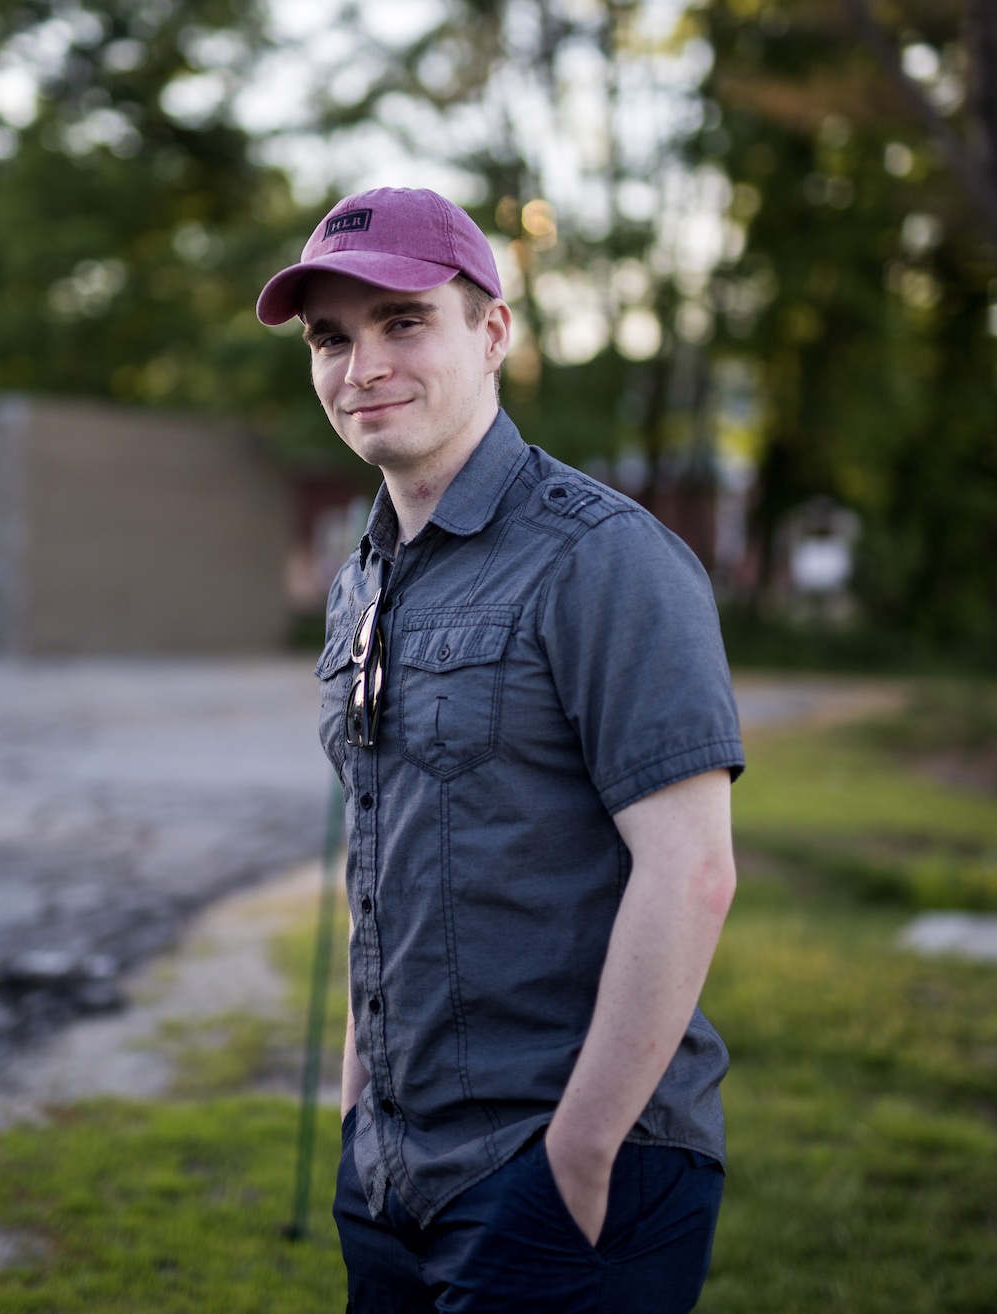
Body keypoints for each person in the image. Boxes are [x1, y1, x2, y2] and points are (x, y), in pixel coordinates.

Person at [256, 187, 746, 1314]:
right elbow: (381, 854)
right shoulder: (362, 580)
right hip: (394, 1170)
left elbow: (691, 870)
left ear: (492, 333)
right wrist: (358, 1107)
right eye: (331, 338)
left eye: (404, 322)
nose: (362, 366)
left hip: (563, 1167)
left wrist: (579, 1155)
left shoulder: (603, 559)